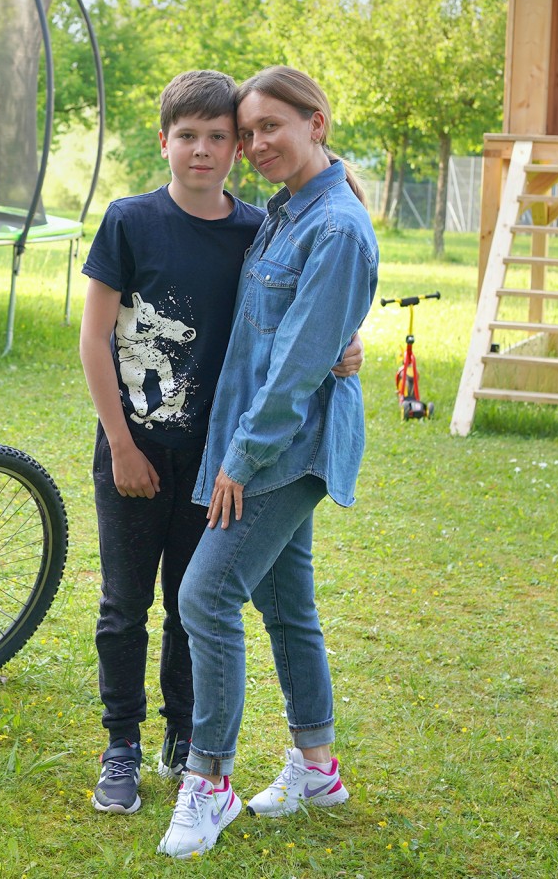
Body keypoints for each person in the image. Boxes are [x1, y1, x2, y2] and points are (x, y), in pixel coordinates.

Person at [81, 70, 363, 821]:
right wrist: (119, 444)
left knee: (192, 600)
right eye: (190, 136)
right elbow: (97, 334)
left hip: (227, 457)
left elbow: (304, 322)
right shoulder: (145, 220)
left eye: (225, 136)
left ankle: (192, 754)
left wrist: (341, 343)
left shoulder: (280, 224)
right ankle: (127, 747)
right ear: (164, 141)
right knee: (137, 604)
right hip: (145, 449)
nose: (208, 150)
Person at [158, 67, 378, 860]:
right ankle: (318, 767)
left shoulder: (337, 227)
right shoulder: (288, 213)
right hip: (259, 437)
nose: (252, 146)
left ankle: (207, 780)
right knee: (288, 605)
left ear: (316, 123)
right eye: (245, 133)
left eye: (268, 128)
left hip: (283, 449)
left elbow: (294, 369)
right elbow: (289, 336)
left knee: (206, 595)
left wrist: (240, 463)